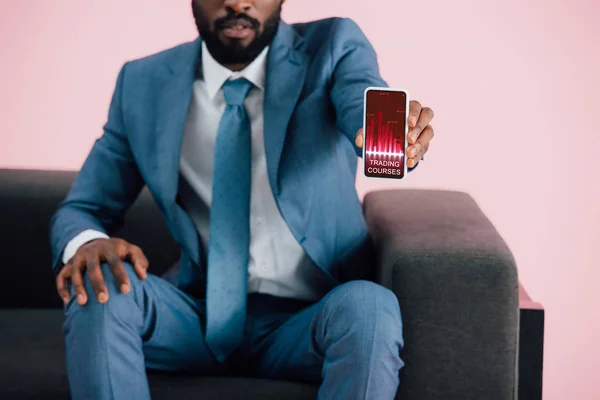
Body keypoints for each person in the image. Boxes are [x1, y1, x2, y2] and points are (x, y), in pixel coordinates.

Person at [50, 0, 435, 399]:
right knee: (100, 286)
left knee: (370, 307)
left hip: (309, 320)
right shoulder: (142, 82)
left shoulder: (333, 45)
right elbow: (83, 207)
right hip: (194, 316)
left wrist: (392, 134)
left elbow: (360, 99)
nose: (237, 2)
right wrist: (89, 241)